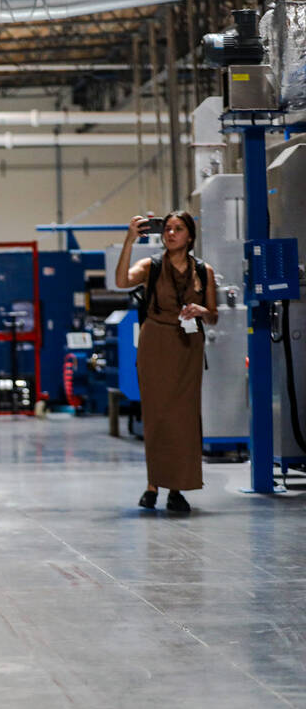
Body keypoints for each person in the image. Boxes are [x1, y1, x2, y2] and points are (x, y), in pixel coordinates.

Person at [115, 210, 216, 513]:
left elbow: (214, 314)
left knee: (184, 418)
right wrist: (129, 240)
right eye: (168, 229)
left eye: (178, 229)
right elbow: (121, 281)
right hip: (156, 343)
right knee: (157, 415)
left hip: (188, 345)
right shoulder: (152, 266)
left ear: (190, 235)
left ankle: (177, 488)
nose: (171, 234)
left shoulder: (203, 270)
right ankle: (152, 485)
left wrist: (200, 310)